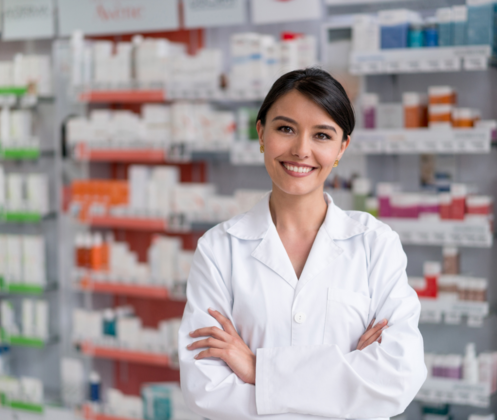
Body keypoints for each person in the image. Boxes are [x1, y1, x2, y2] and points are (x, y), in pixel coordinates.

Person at [178, 68, 427, 420]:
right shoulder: (219, 249)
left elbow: (398, 377)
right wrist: (346, 374)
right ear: (261, 132)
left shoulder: (375, 244)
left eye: (322, 135)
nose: (301, 150)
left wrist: (257, 371)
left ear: (342, 147)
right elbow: (205, 391)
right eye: (285, 129)